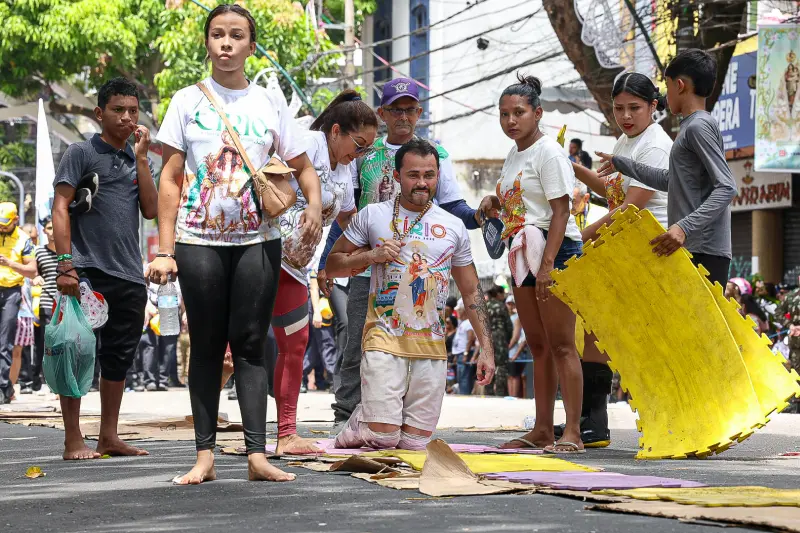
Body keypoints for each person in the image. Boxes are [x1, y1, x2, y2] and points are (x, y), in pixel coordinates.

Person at [148, 4, 321, 484]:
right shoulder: (186, 101)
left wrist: (312, 205)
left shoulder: (268, 101)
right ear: (207, 43)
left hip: (257, 242)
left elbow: (303, 165)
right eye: (218, 35)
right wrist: (164, 250)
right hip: (197, 241)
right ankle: (203, 456)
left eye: (237, 36)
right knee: (205, 345)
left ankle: (256, 456)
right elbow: (170, 178)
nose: (226, 43)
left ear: (251, 45)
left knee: (249, 345)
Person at [317, 78, 482, 432]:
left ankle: (398, 418)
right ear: (383, 114)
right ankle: (346, 414)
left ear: (419, 113)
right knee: (357, 343)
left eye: (410, 109)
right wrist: (324, 262)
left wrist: (479, 216)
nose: (403, 116)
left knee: (411, 344)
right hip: (366, 267)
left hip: (417, 269)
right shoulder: (365, 152)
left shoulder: (436, 154)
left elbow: (454, 206)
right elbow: (348, 211)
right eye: (396, 110)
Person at [326, 138, 495, 450]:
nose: (422, 183)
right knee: (383, 437)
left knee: (414, 446)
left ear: (438, 175)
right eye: (414, 175)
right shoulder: (372, 215)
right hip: (382, 340)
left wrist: (486, 348)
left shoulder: (453, 227)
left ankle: (373, 416)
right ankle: (355, 426)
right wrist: (370, 257)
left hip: (430, 348)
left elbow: (471, 291)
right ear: (396, 175)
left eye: (429, 175)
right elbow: (333, 265)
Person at [558, 72, 672, 448]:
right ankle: (593, 421)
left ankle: (649, 420)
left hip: (650, 250)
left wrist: (574, 238)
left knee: (634, 336)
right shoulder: (626, 140)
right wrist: (573, 167)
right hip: (621, 247)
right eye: (619, 108)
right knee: (594, 324)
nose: (625, 115)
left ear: (654, 107)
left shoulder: (655, 145)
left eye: (634, 108)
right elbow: (611, 190)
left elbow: (629, 207)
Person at [52, 76, 158, 460]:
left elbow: (150, 209)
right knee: (76, 350)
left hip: (129, 273)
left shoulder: (137, 158)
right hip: (85, 270)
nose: (127, 117)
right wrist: (66, 265)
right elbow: (60, 206)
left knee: (118, 356)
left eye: (133, 110)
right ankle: (72, 439)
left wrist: (143, 158)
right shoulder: (81, 152)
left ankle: (108, 436)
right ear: (100, 113)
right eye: (118, 110)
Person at [479, 73, 585, 454]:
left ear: (537, 113)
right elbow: (523, 201)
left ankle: (572, 431)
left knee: (562, 345)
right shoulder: (514, 153)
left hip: (557, 252)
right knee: (538, 345)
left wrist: (548, 267)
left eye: (519, 112)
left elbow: (560, 211)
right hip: (523, 251)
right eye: (504, 114)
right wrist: (494, 201)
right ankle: (542, 429)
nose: (511, 120)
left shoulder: (549, 152)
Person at [270, 89, 377, 455]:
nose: (359, 155)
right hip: (265, 255)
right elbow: (270, 179)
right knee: (248, 344)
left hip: (297, 266)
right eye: (358, 144)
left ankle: (287, 433)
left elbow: (344, 222)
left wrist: (331, 261)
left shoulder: (346, 170)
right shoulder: (308, 144)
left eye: (366, 150)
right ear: (336, 131)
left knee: (296, 343)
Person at [597, 49, 737, 287]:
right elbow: (671, 180)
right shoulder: (693, 126)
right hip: (693, 248)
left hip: (703, 251)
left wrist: (683, 227)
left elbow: (726, 187)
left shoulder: (698, 127)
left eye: (667, 85)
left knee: (697, 326)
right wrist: (621, 163)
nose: (665, 94)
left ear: (680, 85)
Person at [0, 203, 35, 404]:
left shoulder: (23, 239)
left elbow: (32, 270)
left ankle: (3, 386)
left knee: (5, 342)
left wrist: (10, 264)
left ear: (15, 220)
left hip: (12, 293)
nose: (2, 228)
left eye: (5, 224)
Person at [31, 218, 58, 393]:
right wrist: (35, 278)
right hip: (46, 302)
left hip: (67, 304)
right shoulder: (39, 252)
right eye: (49, 228)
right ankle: (43, 379)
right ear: (44, 231)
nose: (53, 231)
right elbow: (33, 273)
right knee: (47, 343)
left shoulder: (70, 251)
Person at [486, 285, 513, 397]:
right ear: (498, 294)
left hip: (486, 338)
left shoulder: (484, 306)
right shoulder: (501, 306)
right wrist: (507, 339)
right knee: (501, 365)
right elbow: (509, 326)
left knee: (487, 364)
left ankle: (489, 392)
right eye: (502, 294)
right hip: (500, 338)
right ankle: (500, 393)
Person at [452, 298, 477, 395]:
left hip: (464, 354)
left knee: (465, 378)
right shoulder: (462, 322)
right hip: (460, 354)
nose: (457, 311)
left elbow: (471, 338)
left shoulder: (469, 322)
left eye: (459, 309)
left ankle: (465, 395)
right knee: (461, 378)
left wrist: (466, 353)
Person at [506, 295, 527, 398]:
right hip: (509, 351)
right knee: (509, 375)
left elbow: (517, 337)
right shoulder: (508, 318)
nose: (510, 306)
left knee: (515, 375)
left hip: (516, 351)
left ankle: (514, 396)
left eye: (512, 304)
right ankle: (511, 396)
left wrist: (509, 349)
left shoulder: (518, 317)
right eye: (508, 304)